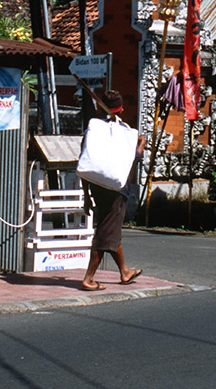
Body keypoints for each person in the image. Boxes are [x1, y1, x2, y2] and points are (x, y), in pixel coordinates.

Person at [81, 89, 146, 291]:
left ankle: (124, 271)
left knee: (110, 229)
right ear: (120, 109)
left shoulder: (93, 129)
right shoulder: (124, 132)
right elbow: (132, 159)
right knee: (105, 232)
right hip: (116, 191)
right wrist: (141, 144)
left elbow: (85, 163)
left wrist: (86, 196)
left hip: (96, 187)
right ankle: (88, 278)